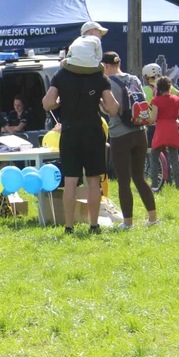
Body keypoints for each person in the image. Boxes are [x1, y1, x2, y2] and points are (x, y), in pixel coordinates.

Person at [43, 61, 119, 235]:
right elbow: (113, 108)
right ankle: (94, 225)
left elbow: (47, 103)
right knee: (93, 180)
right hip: (93, 130)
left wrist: (59, 103)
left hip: (69, 131)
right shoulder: (99, 77)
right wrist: (101, 104)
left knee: (70, 180)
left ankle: (68, 227)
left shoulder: (61, 75)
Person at [103, 52, 160, 227]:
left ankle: (128, 223)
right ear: (119, 63)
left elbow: (111, 110)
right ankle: (153, 219)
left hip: (120, 134)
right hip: (140, 131)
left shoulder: (107, 83)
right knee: (139, 177)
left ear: (105, 66)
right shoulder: (134, 79)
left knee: (123, 180)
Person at [151, 76, 179, 191]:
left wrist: (147, 120)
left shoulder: (156, 101)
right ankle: (178, 185)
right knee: (174, 159)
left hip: (161, 131)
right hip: (173, 130)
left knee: (154, 158)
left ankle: (154, 185)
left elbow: (153, 118)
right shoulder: (176, 100)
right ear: (170, 87)